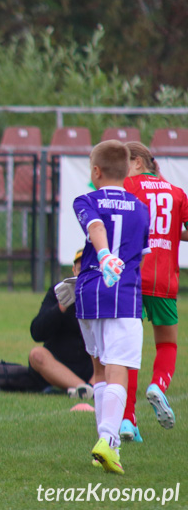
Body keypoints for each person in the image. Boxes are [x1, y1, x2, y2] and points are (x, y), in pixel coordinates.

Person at [72, 140, 149, 475]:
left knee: (100, 369)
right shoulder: (141, 208)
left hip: (89, 294)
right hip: (124, 295)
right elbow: (106, 234)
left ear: (96, 171)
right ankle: (108, 440)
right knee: (119, 368)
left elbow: (95, 225)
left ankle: (104, 446)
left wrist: (100, 256)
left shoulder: (85, 200)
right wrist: (108, 256)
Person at [121, 141, 188, 440]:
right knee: (167, 345)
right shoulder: (176, 193)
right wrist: (171, 234)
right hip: (165, 279)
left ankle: (127, 419)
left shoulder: (129, 185)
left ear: (136, 162)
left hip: (133, 276)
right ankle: (157, 386)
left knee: (128, 350)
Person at [27, 249, 93, 396]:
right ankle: (85, 389)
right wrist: (61, 307)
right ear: (74, 270)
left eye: (89, 268)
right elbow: (37, 332)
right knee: (36, 354)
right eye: (81, 269)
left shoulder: (104, 294)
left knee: (113, 352)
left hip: (93, 367)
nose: (84, 274)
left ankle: (90, 387)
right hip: (59, 366)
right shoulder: (58, 292)